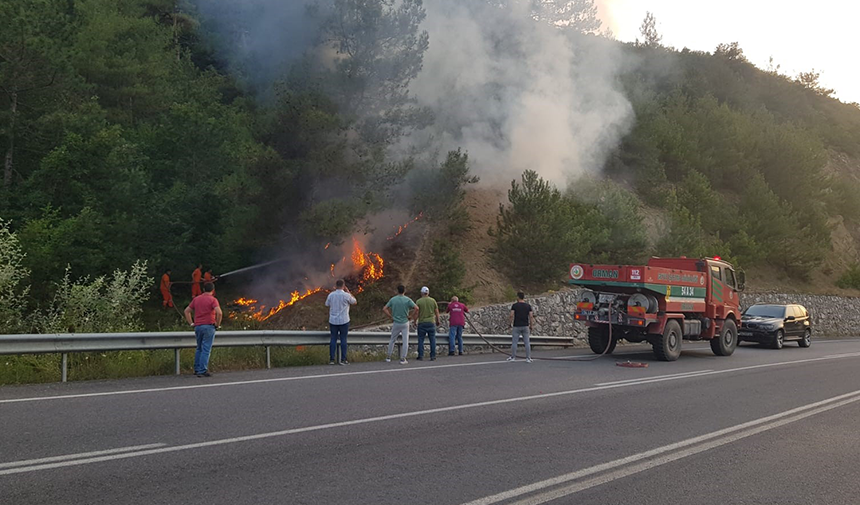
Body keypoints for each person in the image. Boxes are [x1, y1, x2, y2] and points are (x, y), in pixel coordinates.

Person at [184, 282, 222, 377]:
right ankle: (202, 370)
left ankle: (197, 369)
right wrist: (217, 324)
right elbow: (219, 313)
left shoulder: (196, 299)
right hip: (209, 326)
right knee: (206, 349)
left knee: (199, 348)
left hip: (198, 326)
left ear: (203, 289)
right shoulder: (213, 300)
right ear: (213, 290)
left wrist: (191, 323)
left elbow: (186, 311)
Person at [325, 279, 357, 365]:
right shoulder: (346, 295)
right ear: (343, 286)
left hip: (333, 321)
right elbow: (354, 302)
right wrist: (348, 292)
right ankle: (343, 359)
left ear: (336, 286)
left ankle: (332, 359)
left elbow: (327, 304)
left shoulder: (331, 295)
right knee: (343, 339)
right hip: (344, 320)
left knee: (333, 339)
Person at [383, 285, 417, 364]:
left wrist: (390, 316)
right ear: (404, 291)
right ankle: (403, 358)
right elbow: (416, 308)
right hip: (405, 322)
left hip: (396, 322)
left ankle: (388, 357)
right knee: (405, 341)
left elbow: (384, 308)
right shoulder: (407, 300)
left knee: (392, 339)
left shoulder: (393, 299)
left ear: (397, 291)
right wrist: (411, 316)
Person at [415, 286, 440, 361]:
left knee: (420, 340)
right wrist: (438, 320)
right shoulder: (433, 301)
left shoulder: (419, 301)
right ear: (428, 293)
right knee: (432, 340)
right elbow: (437, 312)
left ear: (421, 293)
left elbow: (417, 313)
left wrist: (414, 321)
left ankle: (421, 355)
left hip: (422, 323)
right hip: (431, 322)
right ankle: (433, 356)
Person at [508, 291, 534, 363]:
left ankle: (513, 357)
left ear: (518, 297)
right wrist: (531, 325)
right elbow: (531, 316)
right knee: (527, 342)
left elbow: (511, 315)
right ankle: (528, 358)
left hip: (516, 326)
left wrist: (509, 324)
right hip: (525, 326)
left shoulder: (515, 305)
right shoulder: (528, 306)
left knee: (514, 342)